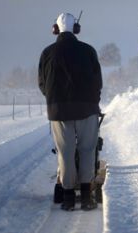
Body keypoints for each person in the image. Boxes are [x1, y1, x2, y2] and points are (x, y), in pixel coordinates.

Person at [38, 12, 102, 211]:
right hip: (87, 109)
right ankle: (86, 197)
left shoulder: (47, 53)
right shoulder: (88, 50)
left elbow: (42, 83)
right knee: (87, 150)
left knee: (65, 153)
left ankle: (67, 198)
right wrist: (93, 102)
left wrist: (56, 101)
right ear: (76, 29)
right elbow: (98, 82)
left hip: (59, 112)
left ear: (55, 29)